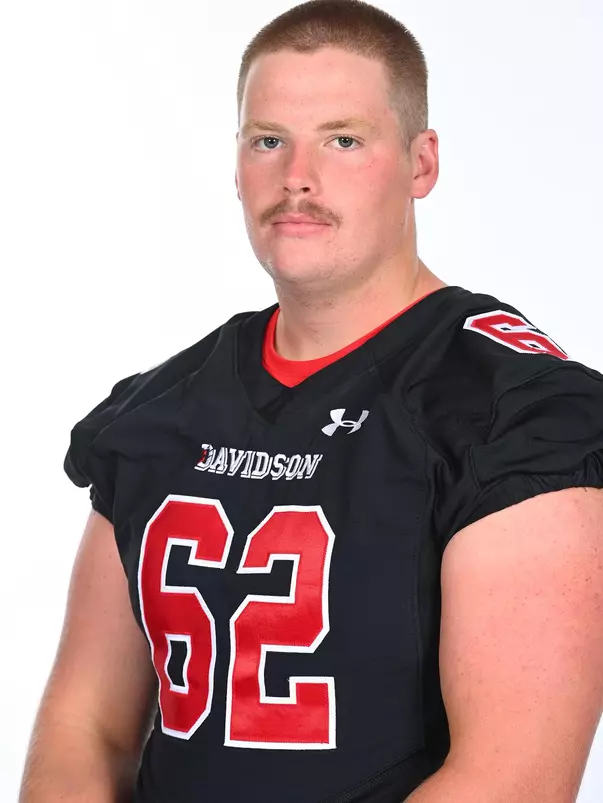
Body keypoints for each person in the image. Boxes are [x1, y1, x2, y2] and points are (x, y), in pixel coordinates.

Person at [19, 1, 603, 801]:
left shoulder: (516, 411)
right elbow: (88, 723)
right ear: (235, 165)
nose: (297, 175)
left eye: (342, 138)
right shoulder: (159, 410)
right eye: (268, 140)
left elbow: (513, 779)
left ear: (419, 163)